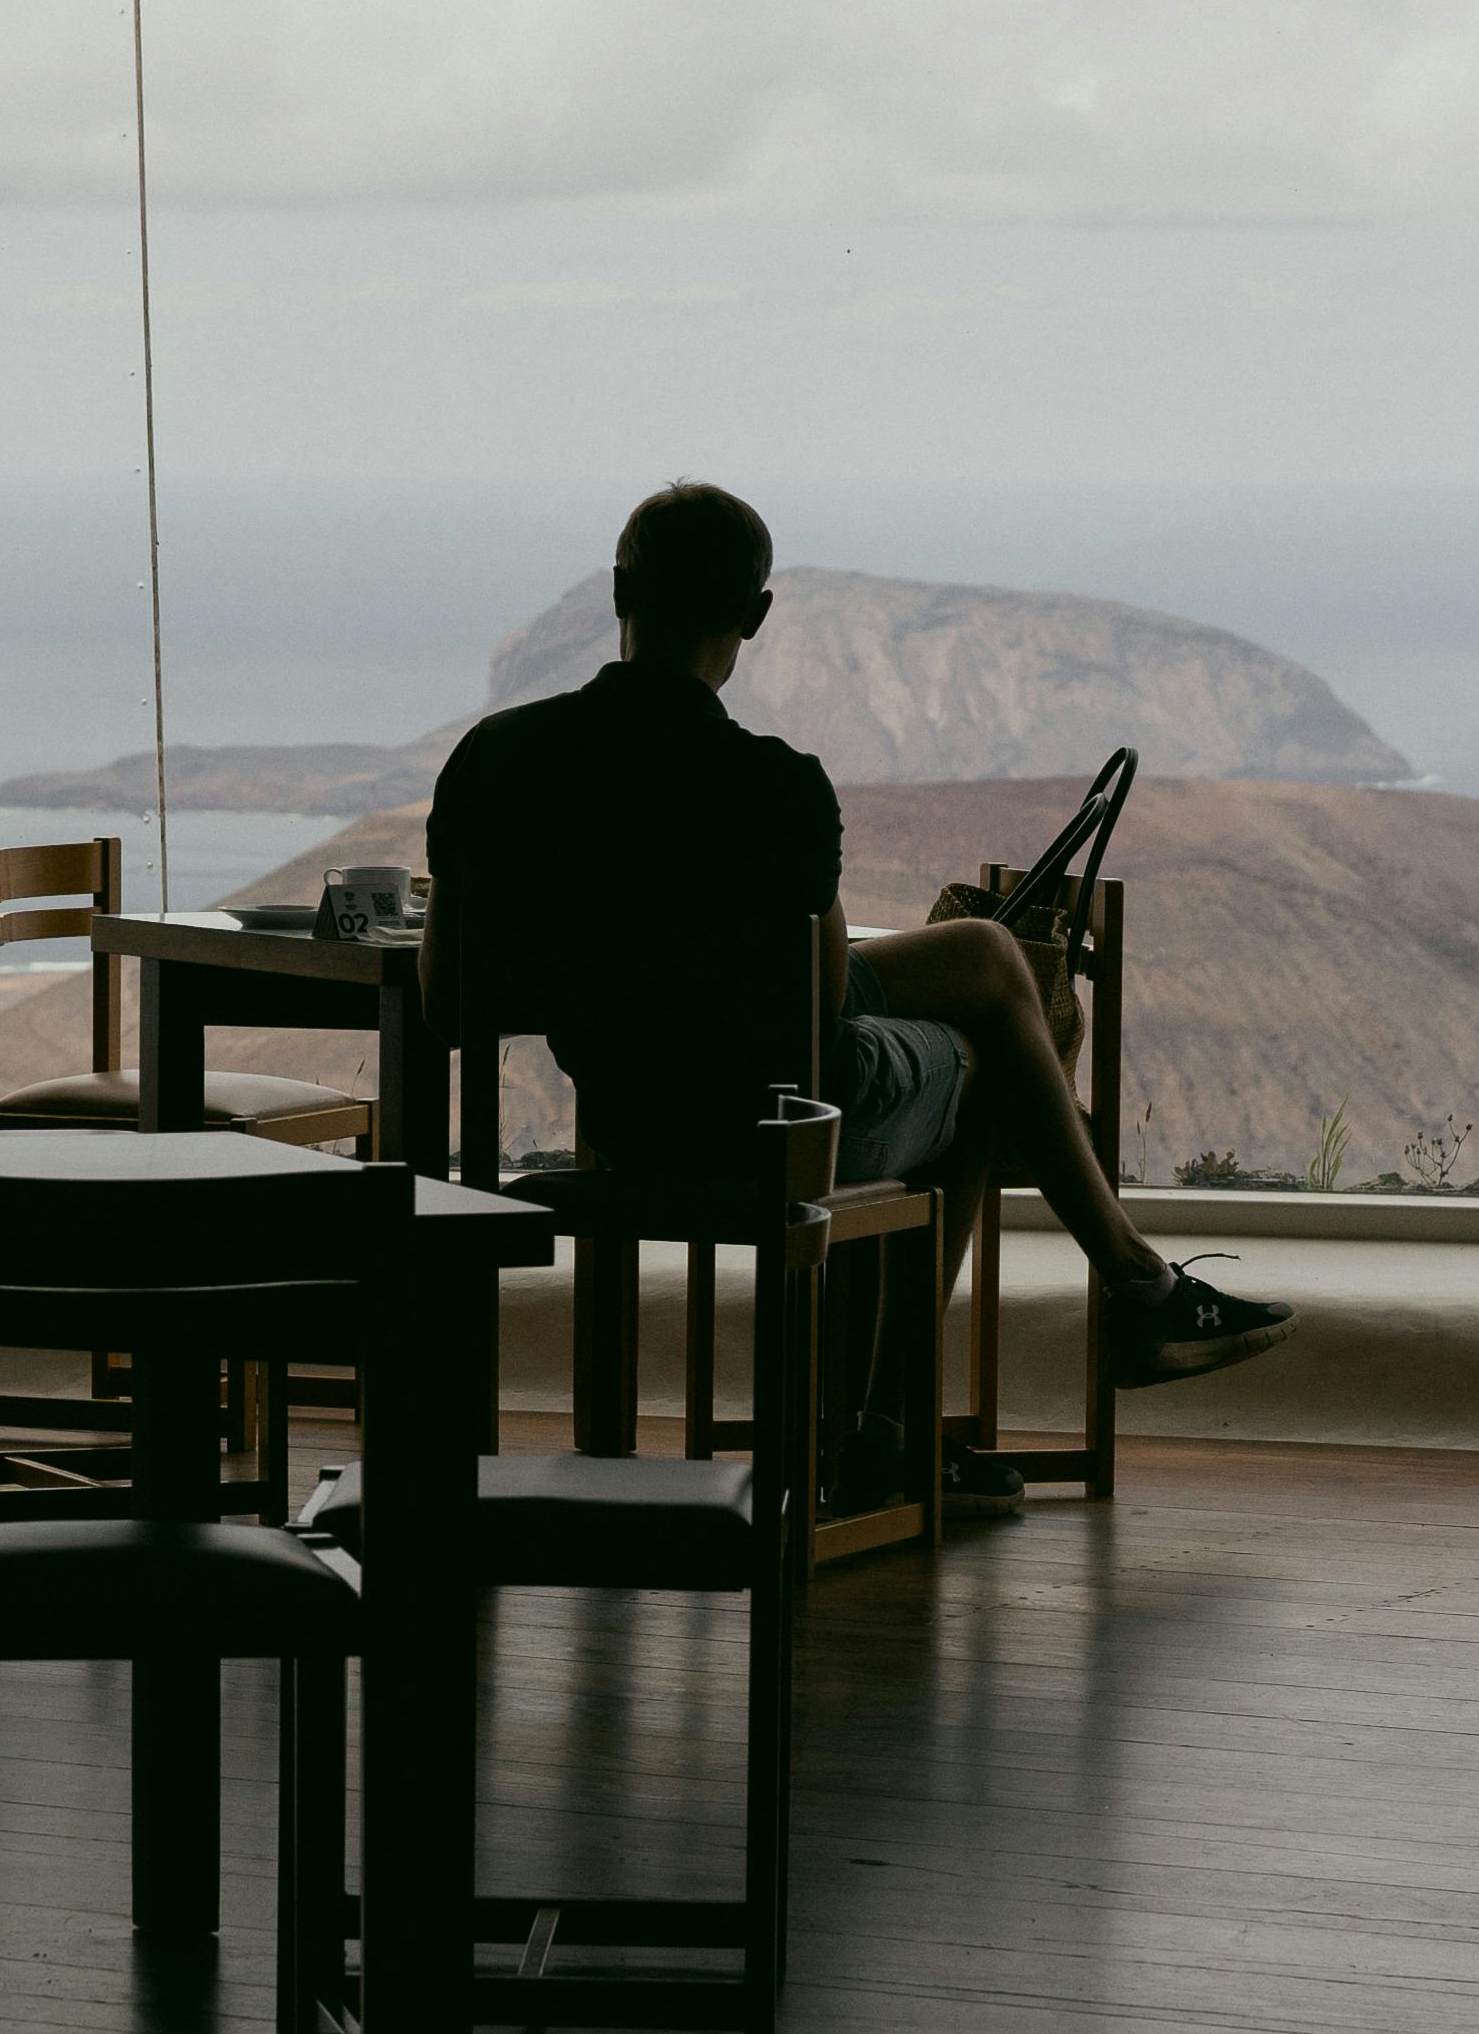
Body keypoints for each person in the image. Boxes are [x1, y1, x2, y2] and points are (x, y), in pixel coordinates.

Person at [426, 480, 1289, 1392]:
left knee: (986, 953)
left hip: (631, 1120)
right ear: (755, 615)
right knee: (985, 1061)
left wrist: (605, 978)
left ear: (618, 591)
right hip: (781, 1131)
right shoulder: (772, 785)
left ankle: (1129, 1288)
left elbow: (448, 1005)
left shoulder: (496, 757)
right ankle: (904, 1417)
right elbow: (824, 1000)